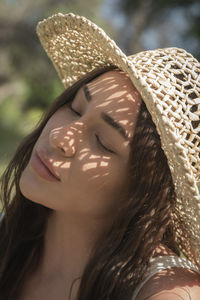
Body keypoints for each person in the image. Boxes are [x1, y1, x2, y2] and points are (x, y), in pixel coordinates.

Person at [0, 12, 200, 300]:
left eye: (102, 142)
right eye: (75, 107)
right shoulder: (12, 237)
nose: (60, 137)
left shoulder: (166, 293)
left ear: (144, 188)